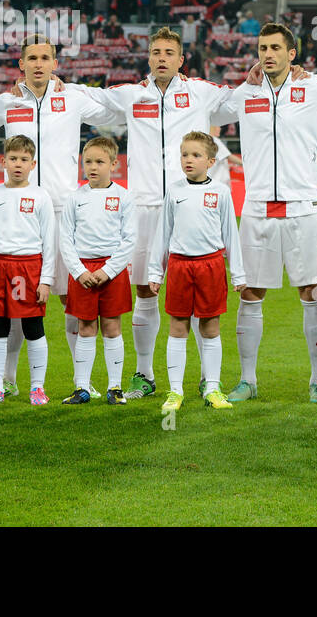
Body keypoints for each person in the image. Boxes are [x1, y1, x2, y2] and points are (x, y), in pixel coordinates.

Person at [68, 27, 239, 400]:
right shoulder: (133, 94)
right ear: (148, 57)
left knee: (199, 300)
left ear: (181, 60)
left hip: (188, 202)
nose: (162, 57)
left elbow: (240, 95)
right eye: (156, 51)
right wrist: (54, 82)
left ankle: (207, 379)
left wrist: (261, 73)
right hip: (145, 205)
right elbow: (92, 95)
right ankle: (144, 375)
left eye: (169, 52)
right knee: (145, 291)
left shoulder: (201, 92)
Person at [0, 34, 118, 399]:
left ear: (55, 63)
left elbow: (115, 109)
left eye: (45, 57)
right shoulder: (8, 102)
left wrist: (83, 86)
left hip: (66, 210)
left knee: (71, 298)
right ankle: (8, 379)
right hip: (21, 212)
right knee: (16, 303)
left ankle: (81, 381)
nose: (38, 64)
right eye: (31, 58)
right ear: (20, 64)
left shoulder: (72, 98)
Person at [216, 23, 317, 403]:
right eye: (262, 48)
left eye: (275, 47)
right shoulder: (247, 93)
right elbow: (203, 105)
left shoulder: (316, 88)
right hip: (256, 208)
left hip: (304, 208)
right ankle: (248, 380)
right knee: (250, 293)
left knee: (312, 292)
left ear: (292, 54)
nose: (267, 54)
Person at [146, 131, 245, 412]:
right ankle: (175, 391)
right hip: (179, 266)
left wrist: (238, 274)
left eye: (196, 155)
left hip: (211, 266)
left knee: (210, 328)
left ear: (211, 161)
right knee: (178, 328)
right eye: (184, 154)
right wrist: (156, 272)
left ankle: (212, 387)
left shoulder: (221, 192)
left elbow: (231, 235)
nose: (188, 160)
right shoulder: (175, 191)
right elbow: (162, 234)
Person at [0, 135, 57, 407]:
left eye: (24, 159)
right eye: (13, 159)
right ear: (3, 162)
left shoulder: (40, 196)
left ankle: (37, 387)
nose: (18, 164)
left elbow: (50, 243)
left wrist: (46, 281)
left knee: (34, 326)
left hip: (30, 267)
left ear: (33, 164)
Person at [59, 137, 135, 406]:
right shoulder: (75, 198)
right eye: (87, 161)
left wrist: (109, 270)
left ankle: (115, 388)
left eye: (99, 161)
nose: (92, 167)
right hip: (83, 271)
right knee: (85, 327)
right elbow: (65, 239)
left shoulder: (124, 197)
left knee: (112, 328)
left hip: (111, 271)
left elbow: (129, 239)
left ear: (114, 164)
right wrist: (79, 271)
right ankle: (82, 387)